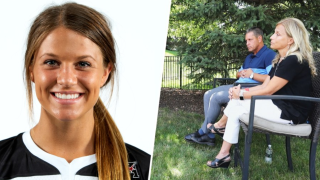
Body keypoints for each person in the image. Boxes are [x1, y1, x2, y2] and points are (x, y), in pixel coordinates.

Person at [0, 3, 150, 180]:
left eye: (83, 64)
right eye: (51, 62)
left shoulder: (143, 167)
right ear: (31, 69)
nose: (66, 79)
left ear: (105, 73)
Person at [206, 17, 317, 169]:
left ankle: (220, 127)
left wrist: (241, 95)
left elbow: (268, 90)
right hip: (280, 104)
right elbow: (265, 84)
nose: (271, 37)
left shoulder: (294, 60)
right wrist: (242, 91)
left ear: (290, 40)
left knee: (238, 103)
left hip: (291, 113)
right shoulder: (281, 60)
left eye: (277, 34)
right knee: (237, 108)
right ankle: (223, 153)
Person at [185, 27, 276, 146]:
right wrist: (241, 73)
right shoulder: (249, 57)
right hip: (238, 85)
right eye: (246, 40)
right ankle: (209, 135)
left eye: (250, 40)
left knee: (216, 97)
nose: (247, 43)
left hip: (250, 89)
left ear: (259, 39)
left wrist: (252, 74)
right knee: (208, 94)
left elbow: (271, 79)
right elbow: (238, 74)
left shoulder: (269, 55)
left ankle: (204, 131)